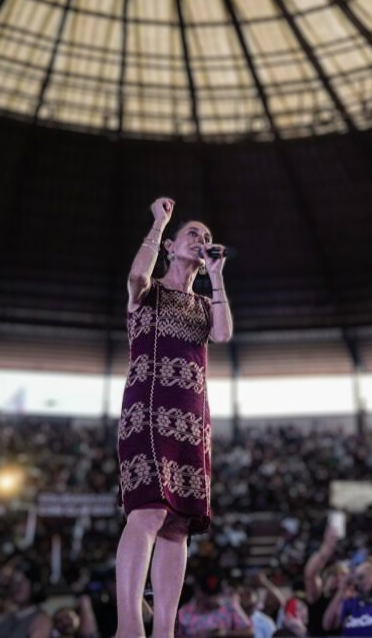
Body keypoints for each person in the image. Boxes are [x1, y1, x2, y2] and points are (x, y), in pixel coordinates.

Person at [115, 198, 232, 638]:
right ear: (171, 247)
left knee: (179, 524)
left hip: (192, 421)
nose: (200, 240)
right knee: (147, 512)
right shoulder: (149, 292)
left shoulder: (203, 305)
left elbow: (222, 334)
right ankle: (129, 627)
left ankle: (164, 630)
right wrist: (159, 223)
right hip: (147, 410)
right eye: (192, 234)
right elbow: (134, 276)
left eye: (205, 237)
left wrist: (217, 276)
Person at [177, 570, 254, 638]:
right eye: (208, 595)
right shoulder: (184, 612)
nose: (212, 599)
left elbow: (249, 632)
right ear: (199, 592)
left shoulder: (229, 607)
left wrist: (226, 634)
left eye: (216, 595)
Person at [306, 525, 348, 638]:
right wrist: (326, 549)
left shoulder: (349, 601)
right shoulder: (317, 597)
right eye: (334, 574)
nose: (339, 578)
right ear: (324, 579)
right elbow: (310, 574)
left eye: (343, 575)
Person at [0, 564, 52, 638]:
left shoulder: (41, 620)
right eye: (13, 582)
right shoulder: (6, 618)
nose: (17, 586)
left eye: (23, 581)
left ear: (34, 586)